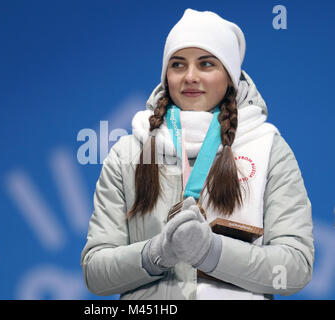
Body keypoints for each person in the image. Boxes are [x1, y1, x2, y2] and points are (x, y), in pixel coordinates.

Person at [80, 8, 314, 300]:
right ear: (166, 75)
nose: (190, 76)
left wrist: (211, 252)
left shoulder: (268, 148)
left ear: (230, 76)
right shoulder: (128, 153)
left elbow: (295, 266)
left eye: (206, 64)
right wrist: (157, 252)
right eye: (178, 65)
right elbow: (95, 273)